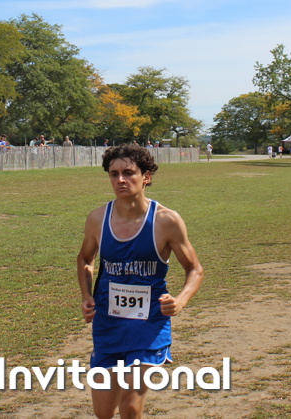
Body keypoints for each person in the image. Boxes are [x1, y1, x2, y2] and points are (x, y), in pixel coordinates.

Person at [76, 144, 204, 419]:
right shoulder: (98, 218)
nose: (121, 180)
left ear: (146, 176)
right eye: (114, 174)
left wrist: (180, 301)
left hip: (149, 324)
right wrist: (86, 296)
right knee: (103, 412)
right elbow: (85, 259)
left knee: (131, 407)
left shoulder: (166, 220)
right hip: (108, 322)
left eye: (129, 173)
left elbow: (195, 269)